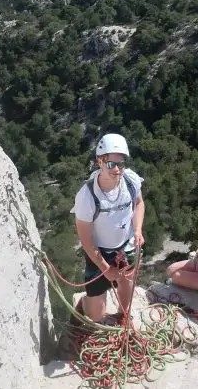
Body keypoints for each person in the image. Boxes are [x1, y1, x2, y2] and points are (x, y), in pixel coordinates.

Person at [71, 133, 145, 323]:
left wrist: (137, 230)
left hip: (125, 245)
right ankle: (84, 302)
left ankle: (123, 313)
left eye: (121, 164)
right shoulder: (87, 196)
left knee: (127, 281)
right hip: (99, 251)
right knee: (96, 315)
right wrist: (105, 268)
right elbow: (86, 240)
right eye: (111, 164)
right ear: (100, 162)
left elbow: (139, 203)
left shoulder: (130, 181)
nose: (117, 169)